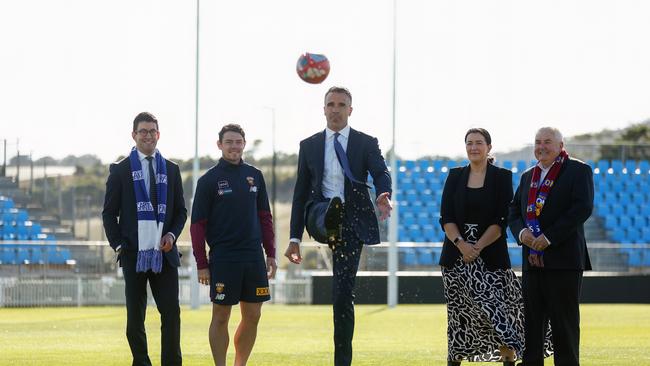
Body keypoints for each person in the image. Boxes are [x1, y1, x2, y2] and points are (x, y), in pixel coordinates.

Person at [284, 86, 392, 366]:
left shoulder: (365, 143)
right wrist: (294, 237)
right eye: (330, 104)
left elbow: (381, 171)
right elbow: (299, 192)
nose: (335, 109)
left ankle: (342, 361)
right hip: (318, 214)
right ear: (323, 109)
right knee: (325, 210)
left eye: (341, 105)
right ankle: (331, 216)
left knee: (343, 295)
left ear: (350, 110)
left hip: (352, 224)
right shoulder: (308, 146)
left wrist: (384, 193)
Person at [102, 112, 187, 366]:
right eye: (143, 131)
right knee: (135, 317)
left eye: (152, 131)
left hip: (165, 254)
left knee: (171, 313)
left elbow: (181, 211)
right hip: (133, 254)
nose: (148, 135)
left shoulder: (171, 170)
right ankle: (141, 362)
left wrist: (172, 234)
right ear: (134, 135)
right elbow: (108, 213)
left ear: (158, 135)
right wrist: (119, 245)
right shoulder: (120, 169)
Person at [190, 124, 277, 366]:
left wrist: (271, 253)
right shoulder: (208, 180)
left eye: (238, 142)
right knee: (221, 316)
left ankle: (240, 364)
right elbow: (197, 225)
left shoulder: (255, 175)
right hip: (224, 258)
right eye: (229, 142)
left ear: (244, 144)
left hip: (253, 257)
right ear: (219, 145)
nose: (234, 146)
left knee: (253, 315)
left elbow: (265, 217)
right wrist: (201, 264)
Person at [439, 128, 525, 366]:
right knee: (460, 316)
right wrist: (461, 245)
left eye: (478, 143)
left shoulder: (502, 177)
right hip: (455, 258)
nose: (473, 147)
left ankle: (508, 359)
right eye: (469, 143)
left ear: (489, 147)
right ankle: (454, 359)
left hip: (491, 256)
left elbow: (502, 219)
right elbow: (446, 217)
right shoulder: (455, 175)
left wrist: (476, 248)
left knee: (498, 313)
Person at [508, 127, 593, 366]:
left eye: (547, 142)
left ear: (560, 146)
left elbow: (582, 208)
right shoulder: (528, 175)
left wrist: (549, 237)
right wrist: (522, 233)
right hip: (532, 262)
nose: (541, 146)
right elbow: (513, 211)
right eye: (538, 142)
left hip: (564, 261)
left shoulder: (579, 170)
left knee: (563, 326)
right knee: (532, 325)